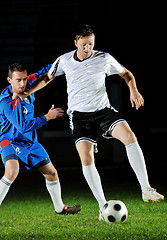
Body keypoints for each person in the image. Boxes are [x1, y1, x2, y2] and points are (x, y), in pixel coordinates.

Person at [16, 24, 164, 220]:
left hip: (103, 111)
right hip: (79, 116)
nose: (88, 48)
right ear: (76, 43)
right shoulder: (64, 60)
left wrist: (133, 89)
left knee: (129, 135)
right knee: (86, 157)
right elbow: (47, 77)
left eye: (91, 44)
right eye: (84, 44)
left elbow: (126, 74)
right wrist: (27, 92)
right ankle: (103, 207)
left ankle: (146, 189)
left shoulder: (104, 58)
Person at [0, 62, 82, 215]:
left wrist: (66, 61)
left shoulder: (30, 82)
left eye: (24, 79)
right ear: (9, 80)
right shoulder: (6, 102)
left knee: (51, 173)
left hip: (30, 142)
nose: (23, 83)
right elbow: (23, 126)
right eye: (18, 80)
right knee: (11, 171)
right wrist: (47, 117)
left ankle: (60, 209)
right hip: (10, 141)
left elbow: (47, 71)